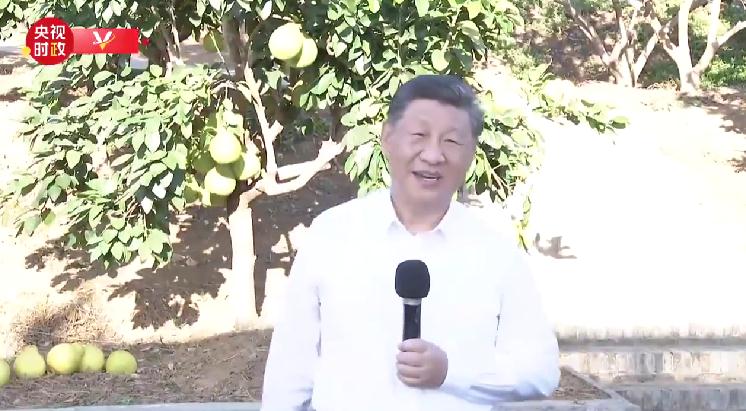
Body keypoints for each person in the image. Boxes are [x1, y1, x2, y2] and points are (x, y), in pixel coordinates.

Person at [260, 74, 560, 411]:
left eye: (451, 141)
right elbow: (290, 367)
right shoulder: (332, 234)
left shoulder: (496, 253)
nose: (433, 155)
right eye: (419, 135)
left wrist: (452, 372)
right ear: (388, 138)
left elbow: (540, 371)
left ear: (471, 152)